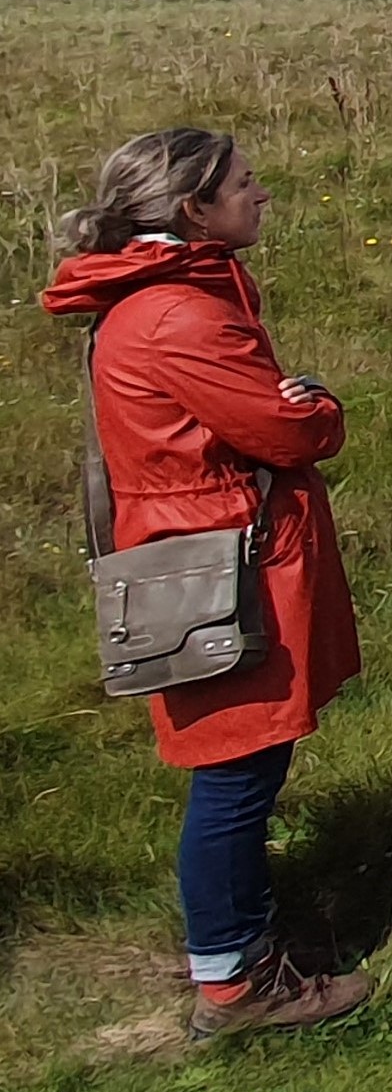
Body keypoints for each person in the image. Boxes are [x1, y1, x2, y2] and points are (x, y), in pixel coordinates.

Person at [44, 130, 373, 1036]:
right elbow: (286, 431)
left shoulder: (161, 300)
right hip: (219, 571)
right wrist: (316, 406)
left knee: (243, 768)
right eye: (243, 182)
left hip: (204, 547)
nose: (261, 193)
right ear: (194, 208)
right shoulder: (177, 316)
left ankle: (245, 944)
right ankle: (234, 982)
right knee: (234, 775)